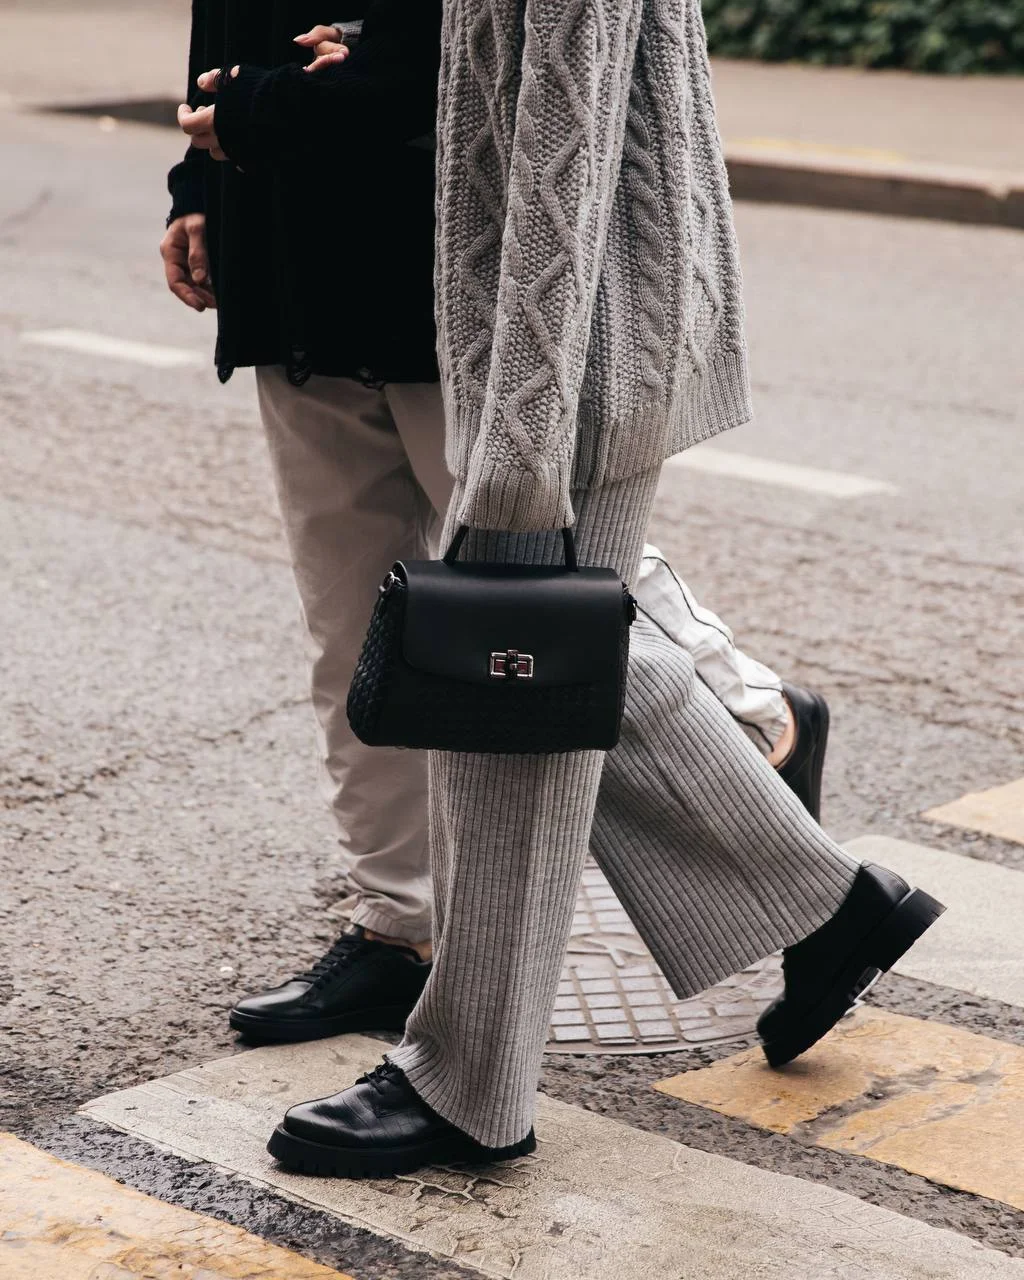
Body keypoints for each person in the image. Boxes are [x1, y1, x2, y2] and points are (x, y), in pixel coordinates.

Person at [169, 0, 943, 1180]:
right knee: (466, 658)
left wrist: (525, 420)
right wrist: (210, 168)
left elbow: (561, 97)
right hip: (400, 276)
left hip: (536, 320)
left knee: (516, 681)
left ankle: (471, 1081)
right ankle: (820, 901)